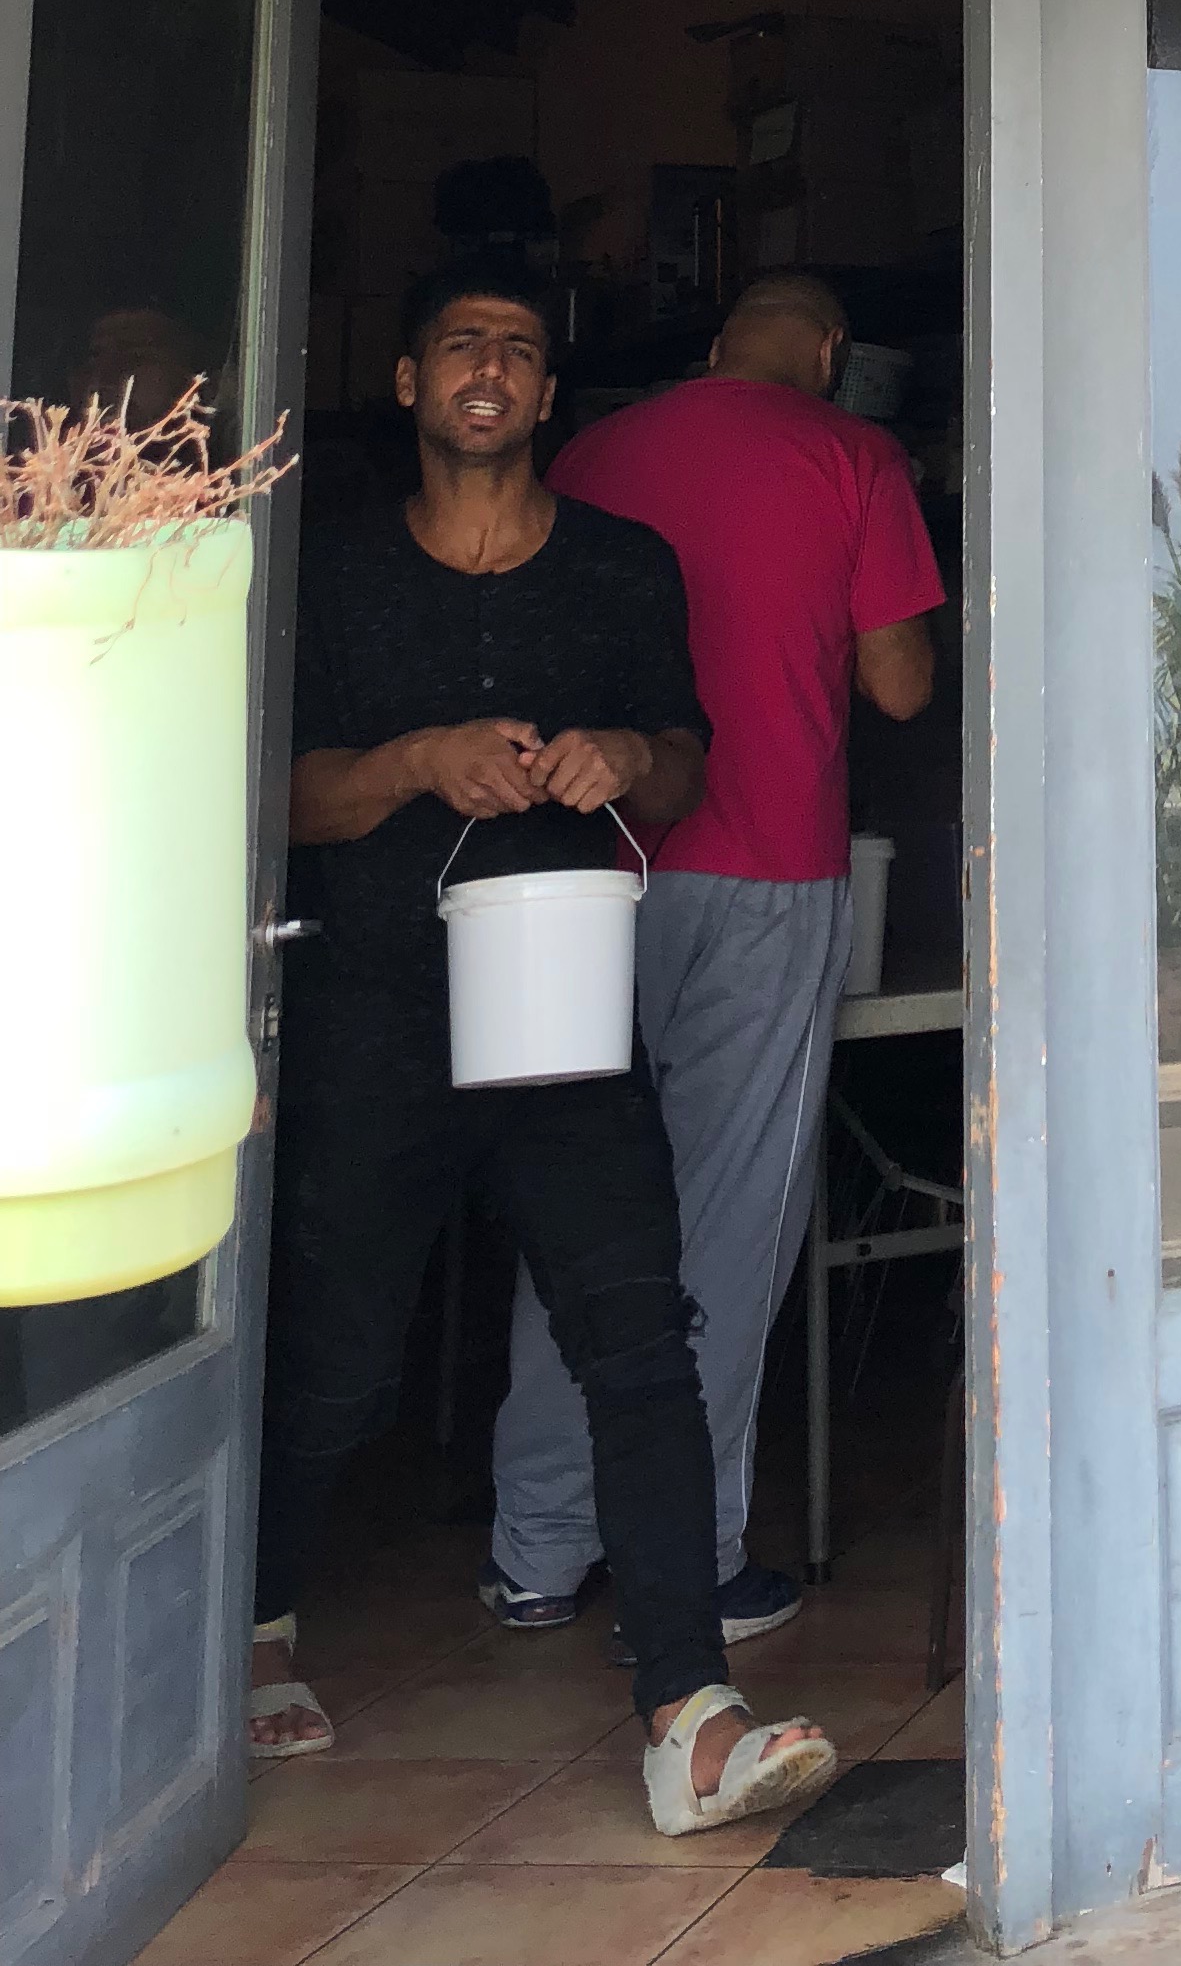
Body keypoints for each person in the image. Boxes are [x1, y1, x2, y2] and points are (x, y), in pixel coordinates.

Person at [249, 264, 837, 1838]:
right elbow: (279, 798)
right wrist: (414, 763)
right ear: (408, 382)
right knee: (334, 1351)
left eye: (518, 349)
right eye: (461, 344)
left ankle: (690, 1712)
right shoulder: (337, 573)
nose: (489, 367)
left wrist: (627, 755)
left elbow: (683, 768)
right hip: (379, 1015)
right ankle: (252, 1622)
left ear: (549, 397)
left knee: (640, 1339)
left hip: (568, 1014)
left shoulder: (621, 568)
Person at [483, 270, 942, 1642]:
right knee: (729, 1218)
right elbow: (902, 684)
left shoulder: (593, 451)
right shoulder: (855, 457)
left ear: (715, 344)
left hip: (591, 864)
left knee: (581, 1199)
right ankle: (695, 1555)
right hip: (767, 867)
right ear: (833, 350)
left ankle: (539, 1545)